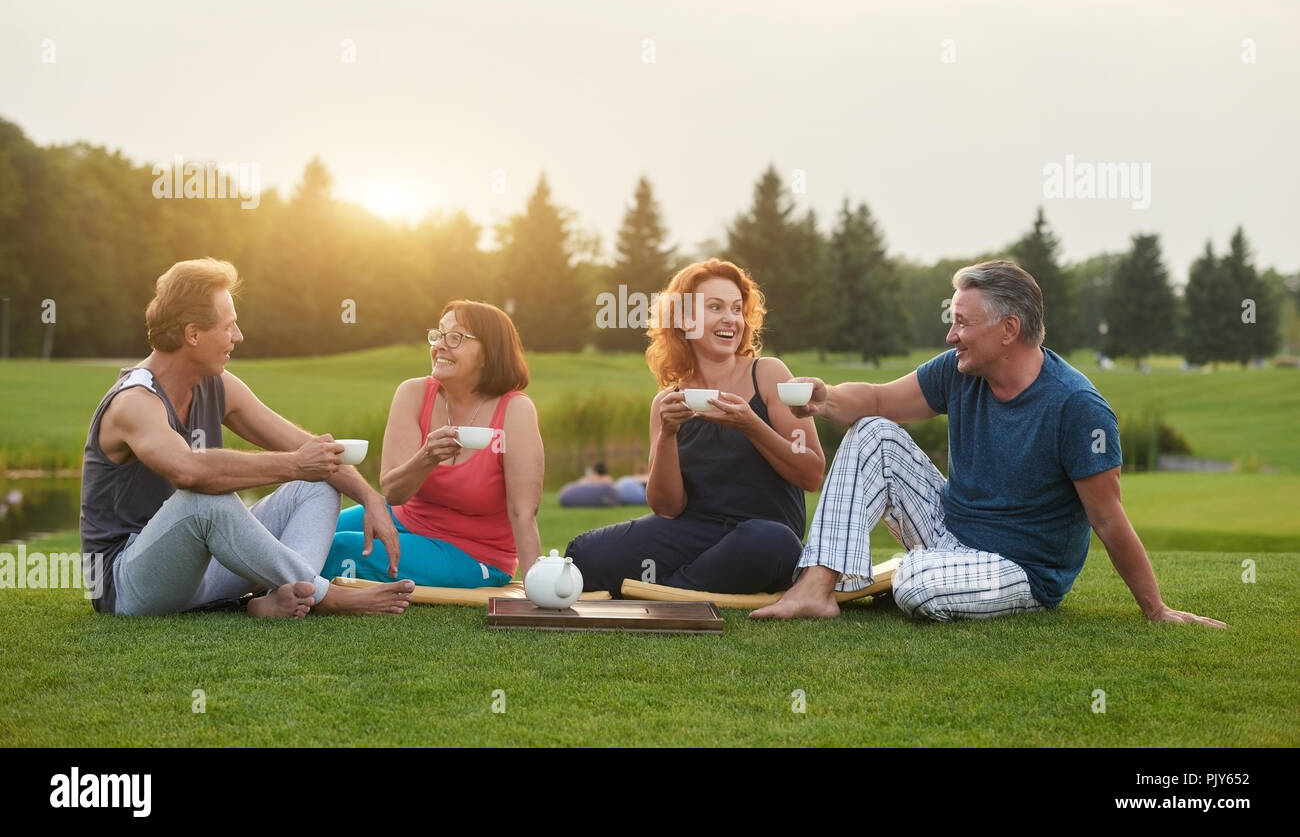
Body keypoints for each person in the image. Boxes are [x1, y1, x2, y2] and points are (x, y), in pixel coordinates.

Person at [752, 259, 1225, 627]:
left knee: (916, 585)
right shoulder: (959, 369)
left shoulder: (1077, 407)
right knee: (873, 431)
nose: (950, 334)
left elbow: (1107, 516)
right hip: (952, 531)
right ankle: (816, 589)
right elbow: (878, 399)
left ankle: (923, 571)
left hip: (1022, 569)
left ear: (1009, 329)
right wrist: (826, 397)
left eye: (961, 322)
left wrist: (1156, 608)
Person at [80, 259, 414, 618]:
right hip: (127, 583)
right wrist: (296, 465)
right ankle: (321, 595)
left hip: (201, 570)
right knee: (204, 501)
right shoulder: (135, 402)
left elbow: (302, 445)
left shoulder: (218, 387)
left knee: (318, 484)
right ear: (193, 334)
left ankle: (283, 595)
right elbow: (189, 472)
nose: (238, 337)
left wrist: (368, 497)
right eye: (229, 327)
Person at [566, 259, 825, 595]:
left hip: (761, 533)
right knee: (584, 554)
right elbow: (667, 508)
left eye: (736, 308)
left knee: (773, 544)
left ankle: (669, 590)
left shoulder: (769, 375)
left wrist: (750, 424)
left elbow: (811, 474)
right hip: (692, 533)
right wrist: (667, 436)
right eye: (715, 307)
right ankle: (693, 583)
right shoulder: (666, 403)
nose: (731, 318)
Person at [321, 300, 543, 587]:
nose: (440, 345)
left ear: (489, 353)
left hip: (473, 553)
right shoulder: (413, 393)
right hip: (405, 519)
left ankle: (271, 596)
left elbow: (523, 512)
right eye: (439, 334)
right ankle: (249, 590)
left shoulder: (515, 411)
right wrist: (426, 457)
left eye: (456, 337)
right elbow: (394, 492)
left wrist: (538, 587)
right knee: (310, 530)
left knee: (341, 548)